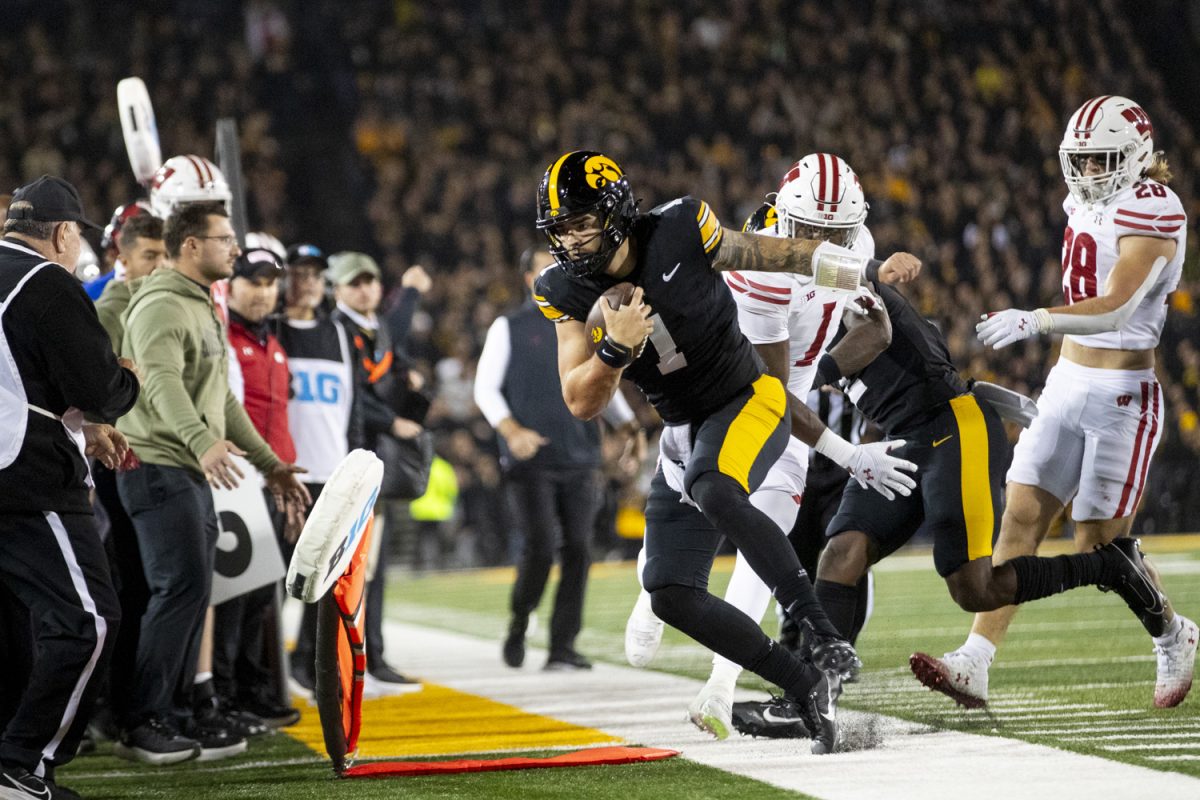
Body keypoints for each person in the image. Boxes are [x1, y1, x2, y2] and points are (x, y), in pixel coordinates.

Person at [532, 150, 920, 753]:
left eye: (581, 223)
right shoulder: (560, 288)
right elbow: (579, 399)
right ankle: (804, 682)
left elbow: (777, 254)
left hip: (750, 397)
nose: (571, 240)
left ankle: (820, 634)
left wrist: (862, 275)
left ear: (614, 213)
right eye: (561, 228)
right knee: (670, 590)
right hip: (684, 425)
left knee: (716, 487)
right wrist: (613, 352)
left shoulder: (683, 225)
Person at [912, 95, 1196, 710]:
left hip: (1124, 395)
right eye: (1083, 161)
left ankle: (1172, 632)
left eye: (1103, 161)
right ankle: (976, 662)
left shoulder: (1155, 207)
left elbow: (1118, 303)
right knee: (1019, 518)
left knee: (1099, 544)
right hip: (1066, 382)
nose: (1090, 173)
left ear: (1136, 157)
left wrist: (1037, 317)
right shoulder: (1085, 199)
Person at [682, 154, 894, 738]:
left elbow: (873, 329)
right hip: (728, 394)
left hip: (789, 391)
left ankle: (721, 687)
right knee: (682, 527)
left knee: (766, 528)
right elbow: (770, 394)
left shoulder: (857, 241)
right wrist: (848, 453)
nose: (825, 243)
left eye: (837, 232)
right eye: (811, 231)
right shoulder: (762, 266)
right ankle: (653, 613)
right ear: (782, 219)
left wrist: (840, 357)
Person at [115, 202, 310, 764]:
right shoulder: (160, 303)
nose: (235, 248)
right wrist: (201, 443)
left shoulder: (199, 303)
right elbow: (159, 382)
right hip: (159, 465)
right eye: (224, 239)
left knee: (192, 593)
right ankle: (142, 720)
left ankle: (167, 713)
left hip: (183, 468)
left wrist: (269, 462)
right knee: (178, 592)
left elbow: (218, 396)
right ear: (191, 245)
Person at [0, 175, 140, 798]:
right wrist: (123, 382)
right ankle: (20, 763)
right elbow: (97, 386)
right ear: (62, 232)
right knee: (90, 621)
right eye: (76, 236)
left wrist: (82, 429)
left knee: (13, 628)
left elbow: (23, 377)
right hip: (25, 476)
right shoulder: (48, 282)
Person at [477, 247, 639, 672]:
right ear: (527, 277)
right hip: (532, 460)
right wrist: (511, 431)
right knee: (541, 548)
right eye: (544, 268)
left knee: (580, 550)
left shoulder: (585, 318)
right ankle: (520, 619)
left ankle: (562, 646)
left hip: (580, 455)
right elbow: (485, 388)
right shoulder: (509, 325)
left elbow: (604, 378)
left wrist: (627, 425)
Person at [328, 251, 429, 690]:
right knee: (343, 567)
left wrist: (409, 380)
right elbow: (349, 392)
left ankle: (373, 654)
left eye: (370, 281)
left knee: (373, 566)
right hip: (346, 460)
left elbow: (396, 335)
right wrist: (391, 421)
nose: (364, 289)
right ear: (337, 289)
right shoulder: (336, 330)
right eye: (355, 283)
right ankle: (333, 659)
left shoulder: (376, 327)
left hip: (373, 462)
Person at [213, 247, 302, 728]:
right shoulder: (222, 336)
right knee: (235, 596)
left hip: (274, 479)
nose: (265, 292)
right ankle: (225, 695)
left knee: (266, 595)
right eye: (255, 282)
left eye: (271, 284)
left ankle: (251, 689)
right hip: (239, 481)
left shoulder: (274, 339)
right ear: (232, 284)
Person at [277, 243, 366, 693]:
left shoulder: (337, 335)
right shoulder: (272, 330)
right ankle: (269, 668)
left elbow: (350, 409)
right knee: (273, 578)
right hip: (284, 474)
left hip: (329, 476)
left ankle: (305, 664)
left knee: (321, 580)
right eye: (298, 272)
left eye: (314, 274)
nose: (307, 281)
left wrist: (351, 469)